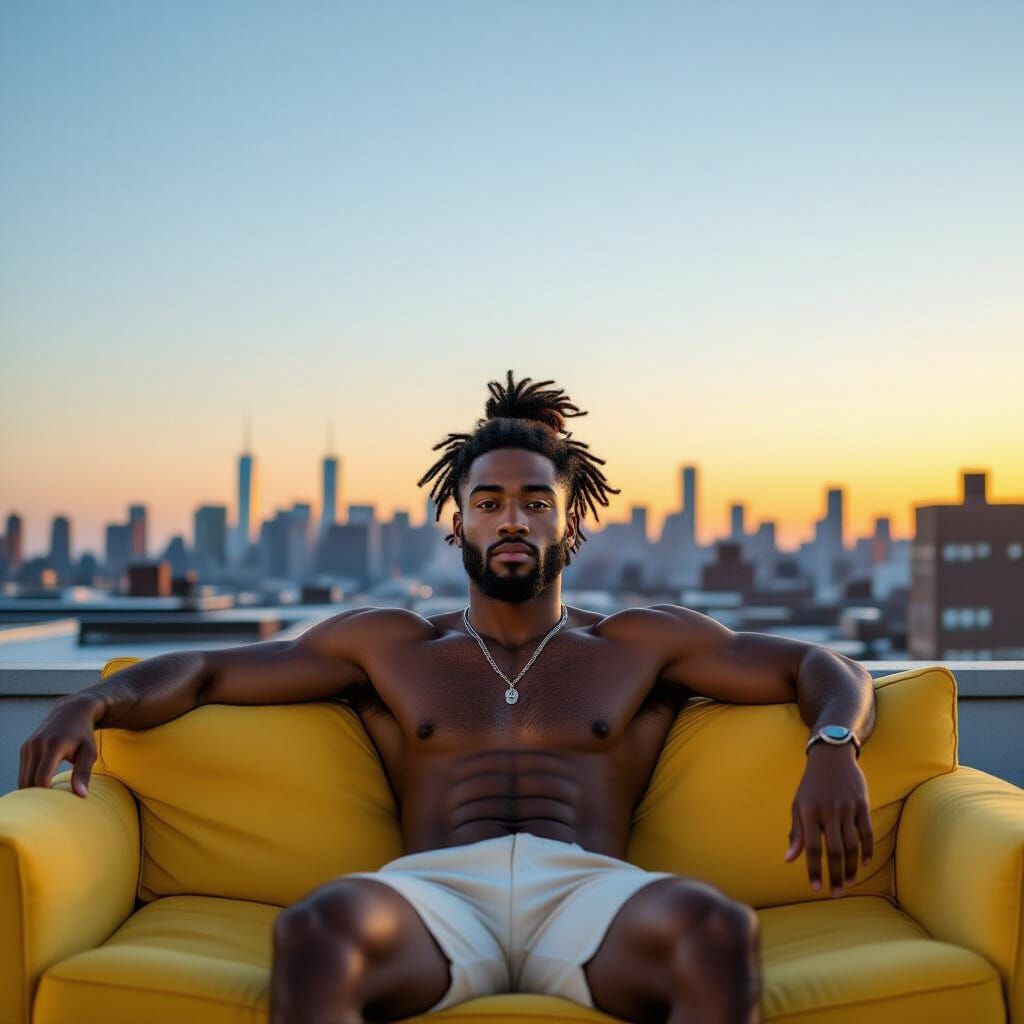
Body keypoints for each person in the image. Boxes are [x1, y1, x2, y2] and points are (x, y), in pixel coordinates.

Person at [19, 371, 876, 1024]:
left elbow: (822, 666)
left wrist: (832, 744)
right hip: (433, 894)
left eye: (534, 503)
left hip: (590, 890)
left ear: (566, 522)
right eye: (490, 502)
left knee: (716, 930)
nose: (512, 520)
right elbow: (207, 670)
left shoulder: (635, 644)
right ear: (455, 519)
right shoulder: (393, 645)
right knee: (319, 929)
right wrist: (89, 703)